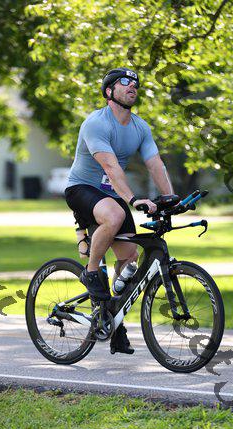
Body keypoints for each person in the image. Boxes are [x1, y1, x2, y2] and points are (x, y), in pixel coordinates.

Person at [64, 67, 174, 354]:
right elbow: (111, 168)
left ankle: (113, 320)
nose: (132, 85)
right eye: (124, 82)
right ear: (109, 91)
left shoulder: (140, 128)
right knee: (115, 215)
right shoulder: (96, 123)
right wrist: (134, 199)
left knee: (129, 259)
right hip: (82, 189)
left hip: (112, 195)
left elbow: (155, 164)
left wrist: (170, 198)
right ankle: (91, 272)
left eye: (135, 82)